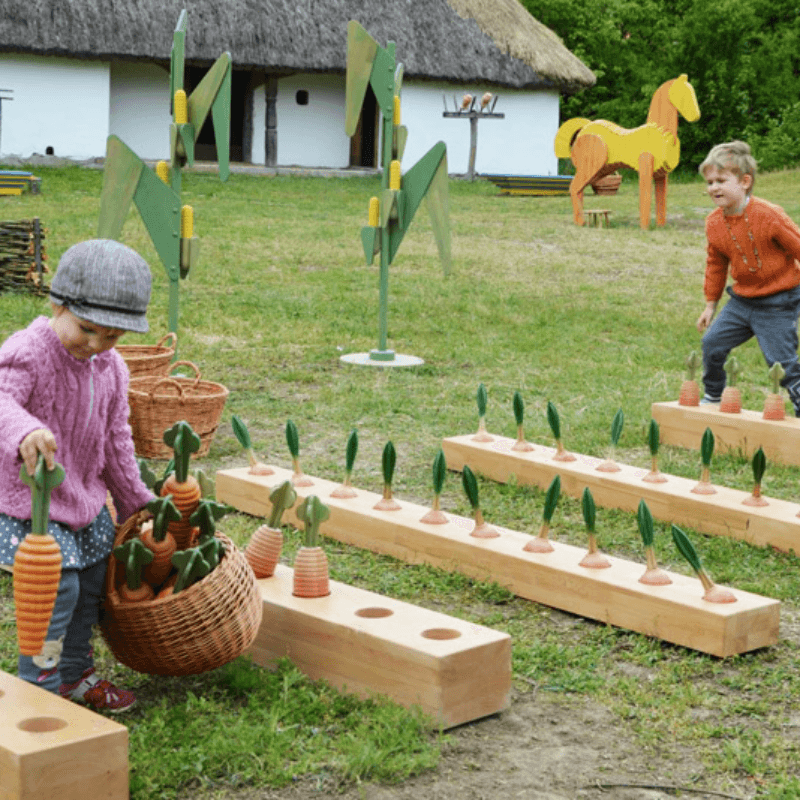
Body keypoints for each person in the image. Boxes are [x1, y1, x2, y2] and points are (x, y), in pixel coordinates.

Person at [0, 239, 156, 712]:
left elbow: (116, 442)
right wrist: (25, 429)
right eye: (86, 329)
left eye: (110, 337)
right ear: (56, 304)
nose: (95, 344)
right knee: (54, 593)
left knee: (91, 591)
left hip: (87, 507)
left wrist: (136, 501)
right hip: (35, 509)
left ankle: (76, 675)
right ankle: (41, 689)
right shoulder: (28, 351)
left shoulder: (113, 368)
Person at [696, 140, 800, 415]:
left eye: (721, 180)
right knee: (712, 344)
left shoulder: (769, 216)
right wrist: (710, 304)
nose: (713, 187)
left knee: (781, 363)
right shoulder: (714, 223)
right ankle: (713, 395)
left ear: (744, 181)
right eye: (709, 182)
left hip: (778, 302)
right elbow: (716, 264)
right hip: (742, 302)